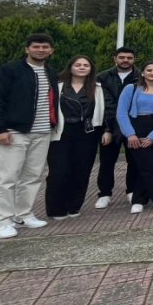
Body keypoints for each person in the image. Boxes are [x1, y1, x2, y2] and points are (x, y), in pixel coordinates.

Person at [44, 55, 114, 220]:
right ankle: (56, 208)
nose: (82, 67)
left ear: (91, 69)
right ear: (70, 67)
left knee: (82, 171)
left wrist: (108, 130)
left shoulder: (98, 89)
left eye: (86, 65)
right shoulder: (58, 87)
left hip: (88, 133)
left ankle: (74, 206)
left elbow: (108, 111)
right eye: (78, 65)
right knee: (59, 171)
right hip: (61, 132)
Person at [116, 61, 153, 215]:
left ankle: (138, 200)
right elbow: (121, 113)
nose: (152, 73)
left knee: (149, 166)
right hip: (135, 127)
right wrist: (130, 134)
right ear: (142, 73)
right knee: (146, 165)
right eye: (149, 70)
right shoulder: (131, 88)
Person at [94, 46, 137, 209]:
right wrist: (106, 129)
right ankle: (104, 193)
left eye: (129, 57)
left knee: (133, 160)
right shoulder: (103, 77)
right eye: (122, 57)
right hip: (110, 125)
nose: (125, 60)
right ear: (115, 58)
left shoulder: (139, 76)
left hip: (132, 127)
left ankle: (131, 190)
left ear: (134, 59)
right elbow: (103, 104)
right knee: (107, 161)